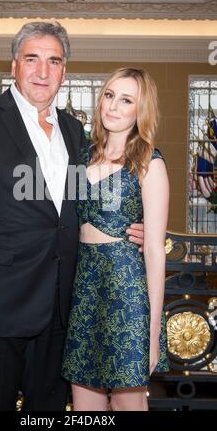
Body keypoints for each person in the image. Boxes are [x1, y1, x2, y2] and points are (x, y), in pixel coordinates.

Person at [0, 22, 144, 411]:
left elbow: (82, 206)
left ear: (64, 71)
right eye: (32, 59)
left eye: (54, 61)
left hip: (63, 307)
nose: (43, 71)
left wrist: (131, 228)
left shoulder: (74, 130)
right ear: (14, 65)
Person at [62, 67, 170, 411]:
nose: (113, 106)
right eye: (109, 95)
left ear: (141, 110)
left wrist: (152, 332)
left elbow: (154, 250)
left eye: (126, 100)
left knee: (128, 405)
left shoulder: (149, 163)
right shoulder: (80, 157)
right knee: (85, 406)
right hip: (84, 289)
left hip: (127, 291)